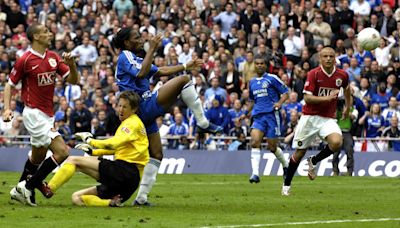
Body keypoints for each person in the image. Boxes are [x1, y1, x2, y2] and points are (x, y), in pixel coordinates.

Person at [111, 28, 223, 206]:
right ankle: (202, 122)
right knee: (184, 80)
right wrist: (152, 49)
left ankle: (141, 198)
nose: (141, 39)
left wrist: (186, 65)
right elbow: (141, 73)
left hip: (140, 112)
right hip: (139, 106)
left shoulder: (137, 58)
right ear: (126, 43)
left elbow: (159, 70)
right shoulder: (125, 56)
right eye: (136, 37)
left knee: (156, 153)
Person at [3, 24, 80, 206]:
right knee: (62, 152)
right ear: (36, 37)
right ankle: (30, 186)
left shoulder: (53, 57)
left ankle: (20, 189)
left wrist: (72, 65)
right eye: (45, 32)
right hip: (34, 114)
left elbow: (73, 80)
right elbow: (9, 85)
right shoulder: (25, 60)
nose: (50, 34)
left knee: (37, 157)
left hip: (48, 114)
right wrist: (7, 109)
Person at [46, 91, 148, 207]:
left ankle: (49, 188)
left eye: (125, 107)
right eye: (119, 105)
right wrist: (93, 151)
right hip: (127, 184)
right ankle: (110, 203)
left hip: (125, 171)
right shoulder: (132, 123)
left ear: (134, 109)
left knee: (73, 160)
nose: (120, 109)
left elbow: (114, 144)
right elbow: (118, 149)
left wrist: (90, 141)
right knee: (76, 197)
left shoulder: (132, 123)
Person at [282, 47, 351, 196]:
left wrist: (347, 107)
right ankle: (286, 186)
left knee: (337, 142)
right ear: (320, 58)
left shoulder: (342, 75)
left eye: (331, 56)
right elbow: (307, 98)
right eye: (325, 56)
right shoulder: (313, 74)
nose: (328, 59)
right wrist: (327, 98)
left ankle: (314, 160)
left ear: (335, 58)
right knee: (299, 153)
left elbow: (347, 89)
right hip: (309, 118)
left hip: (328, 118)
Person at [247, 55, 289, 183]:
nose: (259, 65)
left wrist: (279, 103)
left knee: (272, 147)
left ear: (265, 65)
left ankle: (286, 166)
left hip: (272, 116)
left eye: (261, 63)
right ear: (254, 65)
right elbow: (252, 100)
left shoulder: (272, 78)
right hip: (258, 116)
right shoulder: (252, 82)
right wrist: (245, 113)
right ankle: (255, 174)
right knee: (254, 142)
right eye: (257, 63)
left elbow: (285, 93)